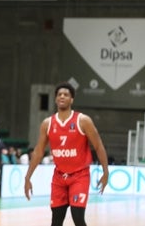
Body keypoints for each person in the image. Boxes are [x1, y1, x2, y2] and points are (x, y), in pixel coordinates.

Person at [24, 82, 109, 226]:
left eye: (66, 94)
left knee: (77, 217)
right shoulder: (47, 123)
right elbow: (38, 152)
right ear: (56, 99)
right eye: (59, 94)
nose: (62, 96)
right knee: (56, 220)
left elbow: (99, 146)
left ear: (72, 100)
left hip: (79, 175)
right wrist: (28, 177)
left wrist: (105, 172)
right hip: (59, 177)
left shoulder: (83, 121)